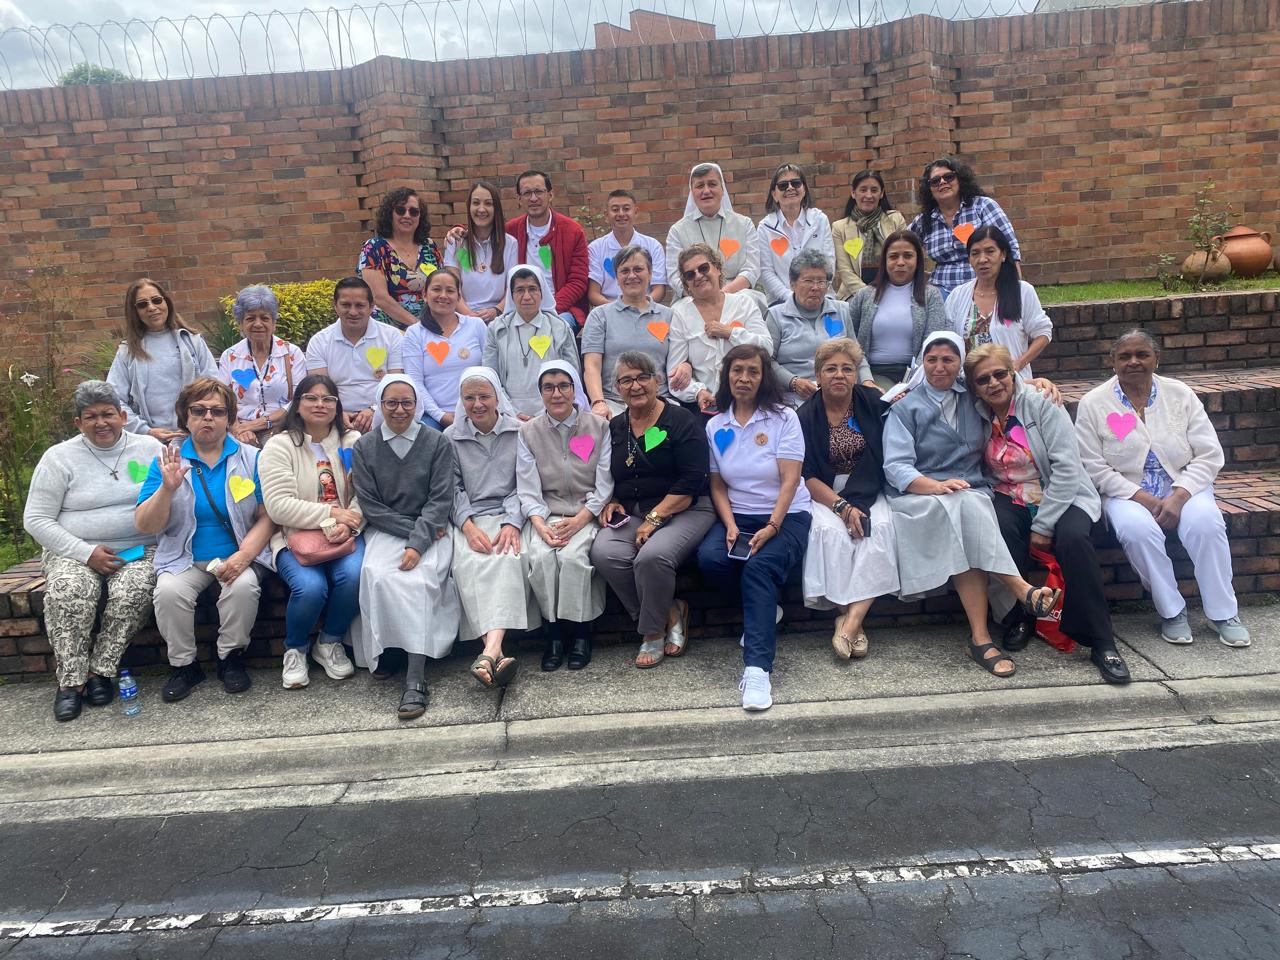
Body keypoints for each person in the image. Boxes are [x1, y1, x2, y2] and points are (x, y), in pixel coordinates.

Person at [881, 332, 1061, 679]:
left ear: (959, 363)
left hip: (971, 492)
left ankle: (981, 638)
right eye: (931, 359)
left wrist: (1038, 381)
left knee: (966, 512)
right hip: (921, 497)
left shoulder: (973, 397)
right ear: (921, 362)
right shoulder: (905, 406)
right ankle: (1017, 592)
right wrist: (935, 485)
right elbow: (896, 466)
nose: (939, 367)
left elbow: (1008, 389)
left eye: (948, 359)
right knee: (965, 509)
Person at [967, 344, 1132, 684]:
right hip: (1010, 494)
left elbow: (1068, 470)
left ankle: (1101, 641)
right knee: (997, 527)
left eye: (1000, 374)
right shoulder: (977, 413)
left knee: (1072, 539)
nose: (994, 384)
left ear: (1013, 374)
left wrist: (1043, 524)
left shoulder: (1042, 404)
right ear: (974, 387)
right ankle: (1020, 617)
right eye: (983, 379)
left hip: (1063, 493)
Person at [1074, 329, 1249, 648]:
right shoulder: (1094, 403)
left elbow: (1210, 454)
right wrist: (1141, 497)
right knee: (1138, 531)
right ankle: (1172, 611)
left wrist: (1180, 495)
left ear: (1157, 359)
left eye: (1142, 354)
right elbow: (1092, 466)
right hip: (1126, 490)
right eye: (1124, 356)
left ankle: (1224, 612)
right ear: (1111, 361)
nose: (1134, 362)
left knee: (1206, 524)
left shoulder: (1179, 394)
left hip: (1184, 484)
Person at [23, 381, 163, 721]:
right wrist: (86, 554)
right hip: (74, 552)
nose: (101, 423)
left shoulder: (150, 449)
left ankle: (100, 671)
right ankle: (70, 682)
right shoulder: (59, 458)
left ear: (123, 416)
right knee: (68, 591)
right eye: (91, 417)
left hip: (139, 548)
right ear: (78, 423)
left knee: (136, 589)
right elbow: (36, 519)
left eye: (108, 414)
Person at [135, 377, 276, 702]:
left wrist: (243, 557)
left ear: (229, 417)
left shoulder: (251, 458)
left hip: (236, 552)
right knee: (169, 593)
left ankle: (231, 659)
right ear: (185, 416)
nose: (208, 417)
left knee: (242, 588)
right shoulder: (166, 460)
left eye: (217, 410)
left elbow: (268, 516)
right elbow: (145, 523)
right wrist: (167, 490)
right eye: (198, 410)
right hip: (184, 557)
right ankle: (185, 666)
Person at [696, 344, 811, 711]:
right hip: (740, 516)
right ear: (727, 375)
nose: (744, 378)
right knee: (711, 558)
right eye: (737, 371)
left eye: (753, 372)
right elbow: (717, 484)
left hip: (787, 515)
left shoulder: (784, 418)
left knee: (759, 568)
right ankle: (763, 611)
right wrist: (729, 524)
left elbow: (790, 481)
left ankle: (758, 671)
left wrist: (773, 526)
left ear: (764, 378)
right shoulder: (715, 424)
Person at [591, 352, 714, 668]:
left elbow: (692, 479)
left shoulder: (681, 420)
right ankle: (669, 612)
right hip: (634, 511)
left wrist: (656, 518)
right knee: (605, 552)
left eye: (642, 377)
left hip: (686, 509)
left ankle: (650, 633)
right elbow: (612, 472)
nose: (635, 386)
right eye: (626, 380)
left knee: (652, 557)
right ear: (617, 388)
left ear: (657, 381)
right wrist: (612, 500)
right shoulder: (617, 427)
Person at [351, 375, 460, 719]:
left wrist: (419, 541)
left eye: (407, 403)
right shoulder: (365, 446)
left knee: (418, 580)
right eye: (391, 403)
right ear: (380, 406)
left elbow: (441, 498)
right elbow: (370, 506)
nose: (399, 410)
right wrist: (414, 536)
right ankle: (389, 651)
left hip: (433, 529)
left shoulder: (437, 442)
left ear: (417, 406)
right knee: (376, 574)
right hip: (390, 529)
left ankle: (415, 677)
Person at [259, 374, 363, 690]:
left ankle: (329, 641)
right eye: (311, 398)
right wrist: (332, 515)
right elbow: (279, 507)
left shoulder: (353, 441)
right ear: (298, 404)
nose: (320, 404)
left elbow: (366, 494)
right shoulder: (278, 446)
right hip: (294, 538)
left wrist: (349, 522)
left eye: (328, 399)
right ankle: (296, 648)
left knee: (355, 575)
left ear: (337, 406)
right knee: (310, 587)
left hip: (347, 536)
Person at [797, 340, 899, 660]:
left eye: (847, 369)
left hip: (868, 486)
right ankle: (849, 616)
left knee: (879, 529)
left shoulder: (874, 402)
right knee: (830, 534)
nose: (839, 375)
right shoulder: (805, 415)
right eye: (831, 369)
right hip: (825, 491)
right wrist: (841, 507)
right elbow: (805, 474)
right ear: (818, 375)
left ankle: (851, 623)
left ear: (856, 375)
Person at [445, 367, 539, 687]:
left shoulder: (520, 432)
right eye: (469, 397)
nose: (477, 404)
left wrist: (513, 522)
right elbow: (452, 488)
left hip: (512, 514)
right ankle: (494, 652)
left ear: (497, 397)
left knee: (509, 558)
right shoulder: (450, 438)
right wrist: (468, 527)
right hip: (469, 519)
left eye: (484, 396)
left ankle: (490, 652)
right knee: (468, 563)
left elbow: (524, 483)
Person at [516, 361, 613, 672]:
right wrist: (540, 524)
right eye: (548, 387)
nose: (556, 393)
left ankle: (581, 634)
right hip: (549, 514)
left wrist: (583, 518)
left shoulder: (598, 427)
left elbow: (605, 480)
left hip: (587, 512)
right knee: (542, 558)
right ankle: (554, 635)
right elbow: (527, 486)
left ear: (575, 390)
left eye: (564, 386)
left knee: (573, 559)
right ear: (540, 392)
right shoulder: (528, 432)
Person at [107, 277, 217, 442]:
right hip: (150, 443)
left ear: (167, 302)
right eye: (143, 304)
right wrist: (145, 431)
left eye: (157, 300)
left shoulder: (193, 342)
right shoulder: (127, 352)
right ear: (134, 311)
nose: (152, 308)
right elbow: (114, 399)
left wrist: (200, 423)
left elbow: (215, 387)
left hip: (197, 438)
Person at [667, 244, 772, 416]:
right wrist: (698, 392)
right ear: (686, 284)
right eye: (690, 274)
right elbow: (675, 377)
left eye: (703, 268)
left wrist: (729, 332)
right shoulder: (680, 313)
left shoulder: (744, 304)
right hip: (706, 407)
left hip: (751, 400)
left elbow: (767, 348)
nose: (698, 276)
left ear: (717, 268)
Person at [581, 244, 684, 418]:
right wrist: (599, 403)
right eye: (624, 271)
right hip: (615, 404)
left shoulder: (669, 316)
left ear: (650, 274)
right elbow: (592, 365)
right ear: (617, 276)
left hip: (660, 401)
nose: (632, 276)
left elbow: (680, 357)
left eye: (638, 269)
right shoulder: (600, 316)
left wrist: (686, 365)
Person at [767, 249, 873, 407]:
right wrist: (793, 382)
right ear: (792, 283)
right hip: (794, 397)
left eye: (821, 281)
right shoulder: (776, 316)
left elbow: (857, 355)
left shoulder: (841, 310)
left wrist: (867, 381)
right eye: (808, 281)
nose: (815, 287)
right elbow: (767, 361)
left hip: (839, 393)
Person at [946, 226, 1052, 379]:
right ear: (969, 259)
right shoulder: (958, 295)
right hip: (968, 385)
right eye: (975, 253)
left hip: (1011, 384)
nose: (982, 259)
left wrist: (1019, 363)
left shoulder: (1022, 291)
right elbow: (948, 340)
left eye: (990, 251)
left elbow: (1043, 333)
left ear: (1003, 255)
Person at [848, 230, 948, 389]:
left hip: (917, 375)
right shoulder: (864, 295)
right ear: (884, 261)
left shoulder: (931, 295)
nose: (900, 262)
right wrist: (866, 378)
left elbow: (932, 341)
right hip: (871, 375)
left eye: (908, 256)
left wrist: (913, 382)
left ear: (917, 260)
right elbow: (849, 338)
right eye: (893, 256)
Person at [909, 157, 1021, 298]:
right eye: (935, 181)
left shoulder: (983, 206)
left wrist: (1016, 290)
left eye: (949, 177)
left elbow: (1010, 247)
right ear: (929, 189)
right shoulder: (923, 220)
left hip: (983, 286)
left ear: (960, 179)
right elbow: (901, 246)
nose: (942, 182)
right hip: (941, 291)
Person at [304, 277, 405, 434]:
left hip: (385, 414)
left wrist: (375, 410)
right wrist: (337, 413)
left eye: (360, 305)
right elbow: (319, 389)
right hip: (335, 418)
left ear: (372, 306)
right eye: (345, 305)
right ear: (335, 306)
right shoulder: (319, 342)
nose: (352, 312)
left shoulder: (391, 336)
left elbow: (396, 384)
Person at [442, 180, 553, 321]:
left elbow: (512, 285)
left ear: (496, 209)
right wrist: (470, 317)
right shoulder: (456, 242)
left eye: (488, 203)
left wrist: (497, 310)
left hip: (501, 317)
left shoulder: (510, 244)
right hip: (462, 317)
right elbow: (452, 286)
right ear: (469, 207)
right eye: (476, 203)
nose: (481, 209)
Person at [217, 285, 308, 446]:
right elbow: (222, 401)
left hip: (282, 430)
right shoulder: (230, 356)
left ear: (273, 323)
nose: (258, 324)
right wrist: (238, 429)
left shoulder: (292, 354)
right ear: (240, 323)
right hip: (240, 433)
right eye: (250, 318)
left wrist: (256, 425)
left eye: (264, 318)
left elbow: (298, 401)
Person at [483, 266, 579, 417]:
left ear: (542, 293)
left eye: (532, 289)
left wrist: (547, 413)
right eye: (520, 290)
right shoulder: (497, 328)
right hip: (507, 413)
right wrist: (512, 413)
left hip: (553, 412)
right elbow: (490, 377)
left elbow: (572, 374)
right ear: (511, 295)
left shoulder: (559, 327)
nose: (527, 296)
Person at [665, 162, 763, 312]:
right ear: (692, 192)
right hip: (693, 296)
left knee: (749, 303)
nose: (706, 191)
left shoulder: (744, 224)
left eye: (712, 184)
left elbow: (752, 269)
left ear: (722, 189)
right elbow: (674, 276)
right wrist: (702, 295)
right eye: (700, 186)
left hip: (737, 293)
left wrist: (723, 294)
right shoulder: (677, 231)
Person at [402, 267, 488, 429]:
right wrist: (441, 416)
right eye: (436, 289)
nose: (443, 296)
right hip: (434, 417)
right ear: (425, 295)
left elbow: (491, 370)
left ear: (459, 297)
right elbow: (415, 383)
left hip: (479, 410)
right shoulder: (414, 334)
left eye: (450, 290)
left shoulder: (476, 325)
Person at [506, 170, 590, 330]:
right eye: (527, 193)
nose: (533, 198)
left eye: (538, 191)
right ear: (519, 199)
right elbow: (482, 237)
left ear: (550, 195)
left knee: (556, 328)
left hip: (562, 309)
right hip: (521, 305)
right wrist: (459, 231)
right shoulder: (511, 231)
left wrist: (547, 308)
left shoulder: (573, 231)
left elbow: (578, 282)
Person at [358, 186, 442, 330]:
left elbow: (442, 286)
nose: (407, 215)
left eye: (414, 211)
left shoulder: (429, 246)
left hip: (430, 326)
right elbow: (379, 297)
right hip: (388, 330)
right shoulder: (374, 248)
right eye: (400, 210)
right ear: (389, 213)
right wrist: (418, 326)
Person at [756, 163, 834, 305]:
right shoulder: (765, 228)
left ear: (804, 190)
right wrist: (791, 298)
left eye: (796, 183)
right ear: (774, 194)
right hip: (782, 301)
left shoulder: (820, 220)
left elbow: (829, 263)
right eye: (783, 185)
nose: (790, 188)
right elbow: (766, 272)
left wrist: (816, 292)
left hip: (821, 296)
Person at [831, 170, 908, 295]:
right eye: (863, 190)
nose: (868, 195)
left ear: (881, 193)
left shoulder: (895, 220)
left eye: (874, 190)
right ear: (853, 193)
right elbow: (845, 271)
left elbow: (904, 258)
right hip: (855, 296)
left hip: (894, 292)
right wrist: (869, 295)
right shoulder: (839, 228)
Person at [587, 189, 667, 306]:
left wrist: (640, 306)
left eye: (626, 208)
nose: (621, 214)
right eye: (615, 209)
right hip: (609, 313)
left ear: (635, 211)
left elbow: (659, 290)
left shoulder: (653, 246)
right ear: (606, 214)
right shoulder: (595, 248)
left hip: (646, 309)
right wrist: (618, 310)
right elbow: (593, 294)